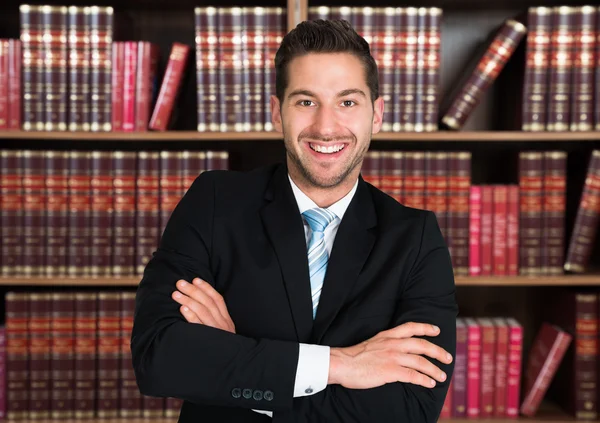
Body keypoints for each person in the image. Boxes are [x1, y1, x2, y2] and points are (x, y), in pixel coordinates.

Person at [131, 19, 457, 423]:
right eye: (306, 101)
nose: (325, 126)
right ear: (276, 112)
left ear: (377, 114)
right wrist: (341, 366)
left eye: (348, 102)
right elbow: (160, 358)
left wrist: (237, 359)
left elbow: (410, 408)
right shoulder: (214, 202)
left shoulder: (415, 238)